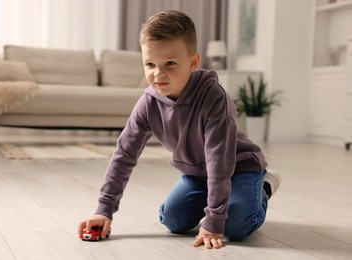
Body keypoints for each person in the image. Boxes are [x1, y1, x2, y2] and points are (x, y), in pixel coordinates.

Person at [78, 10, 281, 249]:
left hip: (238, 167)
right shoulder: (148, 103)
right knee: (172, 220)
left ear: (193, 62)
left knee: (235, 226)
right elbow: (124, 155)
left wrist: (214, 220)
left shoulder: (214, 98)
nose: (158, 73)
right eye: (150, 64)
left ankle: (263, 188)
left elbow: (219, 163)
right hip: (197, 175)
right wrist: (105, 210)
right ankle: (218, 201)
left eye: (170, 63)